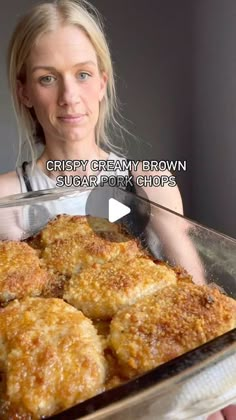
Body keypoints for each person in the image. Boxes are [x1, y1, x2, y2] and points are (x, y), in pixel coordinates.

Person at [0, 1, 234, 418]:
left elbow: (200, 304)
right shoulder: (6, 199)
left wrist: (213, 389)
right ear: (24, 91)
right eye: (47, 78)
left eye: (83, 74)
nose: (70, 96)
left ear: (103, 81)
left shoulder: (151, 181)